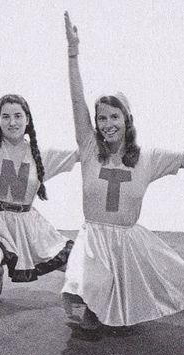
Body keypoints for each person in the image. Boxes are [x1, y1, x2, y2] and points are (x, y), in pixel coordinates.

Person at [62, 12, 184, 330]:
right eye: (102, 118)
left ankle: (105, 294)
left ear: (127, 120)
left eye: (114, 117)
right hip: (93, 240)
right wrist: (73, 54)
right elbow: (77, 101)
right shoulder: (90, 150)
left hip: (128, 243)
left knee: (171, 283)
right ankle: (92, 298)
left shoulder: (147, 157)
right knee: (83, 292)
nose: (107, 125)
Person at [0, 24, 78, 302]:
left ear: (27, 121)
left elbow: (85, 151)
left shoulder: (42, 154)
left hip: (29, 226)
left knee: (82, 265)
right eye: (5, 116)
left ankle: (91, 301)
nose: (11, 122)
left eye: (17, 116)